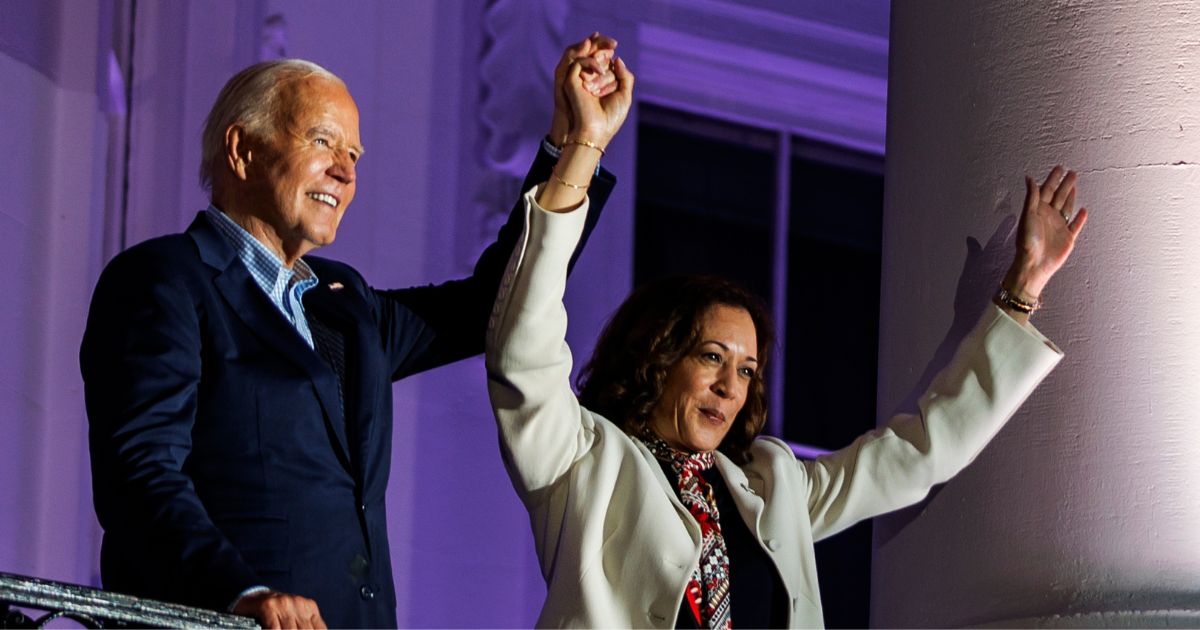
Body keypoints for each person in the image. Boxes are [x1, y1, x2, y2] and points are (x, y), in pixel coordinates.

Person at [484, 55, 1089, 627]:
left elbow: (920, 454)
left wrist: (1021, 289)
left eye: (747, 370)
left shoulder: (772, 484)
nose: (731, 386)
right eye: (712, 357)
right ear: (657, 359)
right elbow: (523, 345)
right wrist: (584, 147)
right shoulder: (582, 461)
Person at [81, 35, 621, 629]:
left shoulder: (346, 305)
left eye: (355, 156)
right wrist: (239, 593)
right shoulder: (165, 281)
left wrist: (578, 145)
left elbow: (491, 304)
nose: (343, 170)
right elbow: (141, 475)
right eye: (321, 141)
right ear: (242, 151)